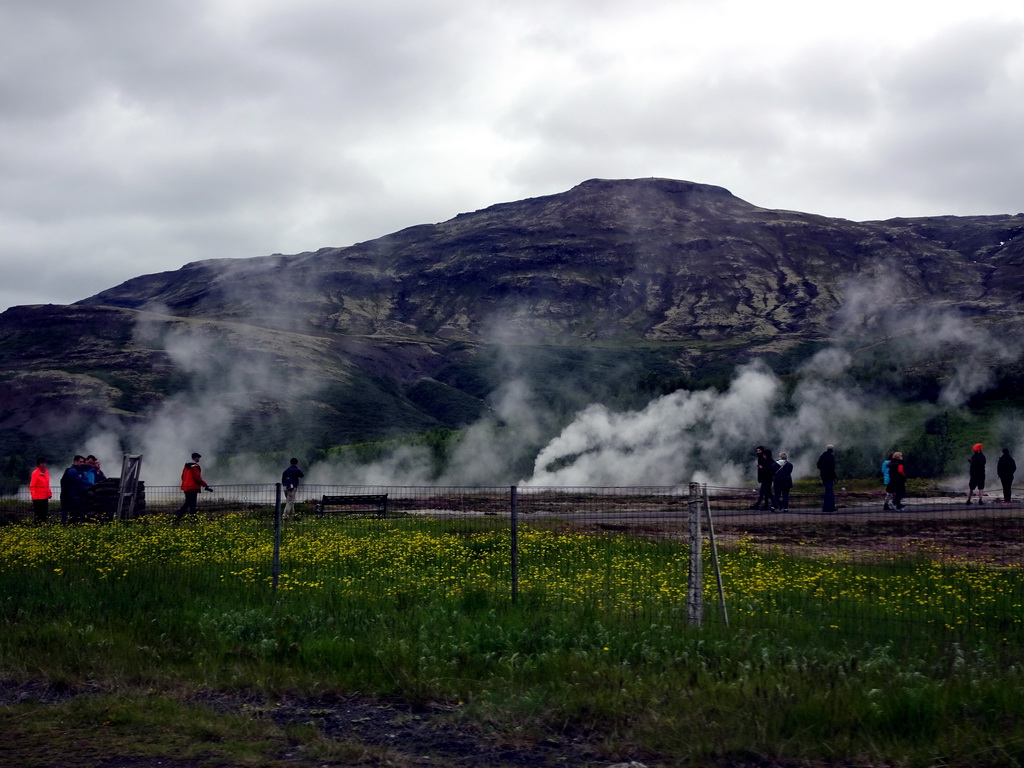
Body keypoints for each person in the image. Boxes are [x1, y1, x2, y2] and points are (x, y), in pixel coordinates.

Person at [174, 453, 212, 520]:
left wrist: (185, 483)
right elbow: (197, 478)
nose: (199, 459)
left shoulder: (186, 466)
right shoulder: (195, 467)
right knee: (189, 504)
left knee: (191, 504)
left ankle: (193, 518)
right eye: (198, 458)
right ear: (196, 458)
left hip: (186, 487)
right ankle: (177, 516)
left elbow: (182, 476)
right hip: (193, 488)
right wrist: (205, 485)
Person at [59, 455, 92, 523]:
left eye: (83, 462)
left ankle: (71, 523)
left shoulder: (78, 470)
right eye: (80, 462)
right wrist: (90, 484)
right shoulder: (72, 470)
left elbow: (84, 478)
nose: (82, 463)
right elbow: (78, 480)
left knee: (73, 511)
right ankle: (64, 523)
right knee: (66, 511)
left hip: (74, 495)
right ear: (75, 461)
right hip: (67, 495)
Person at [29, 457, 53, 523]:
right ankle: (37, 525)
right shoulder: (35, 473)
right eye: (42, 463)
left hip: (45, 496)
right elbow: (32, 486)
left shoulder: (46, 472)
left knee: (44, 513)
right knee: (38, 514)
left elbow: (47, 484)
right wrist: (34, 497)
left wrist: (49, 493)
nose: (44, 465)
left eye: (44, 463)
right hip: (38, 497)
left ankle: (43, 525)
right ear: (38, 464)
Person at [816, 444, 837, 512]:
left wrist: (823, 470)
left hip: (823, 476)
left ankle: (826, 507)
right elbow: (832, 468)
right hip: (829, 476)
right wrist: (834, 477)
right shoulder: (831, 456)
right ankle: (830, 507)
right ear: (832, 449)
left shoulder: (823, 456)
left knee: (827, 491)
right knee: (830, 492)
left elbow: (818, 465)